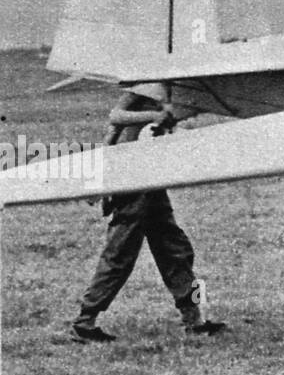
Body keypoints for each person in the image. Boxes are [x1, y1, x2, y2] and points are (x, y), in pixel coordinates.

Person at [71, 92, 226, 341]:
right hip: (132, 179)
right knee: (120, 253)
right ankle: (84, 321)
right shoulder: (146, 85)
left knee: (175, 249)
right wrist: (156, 115)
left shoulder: (171, 87)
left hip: (149, 178)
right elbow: (116, 117)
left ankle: (194, 320)